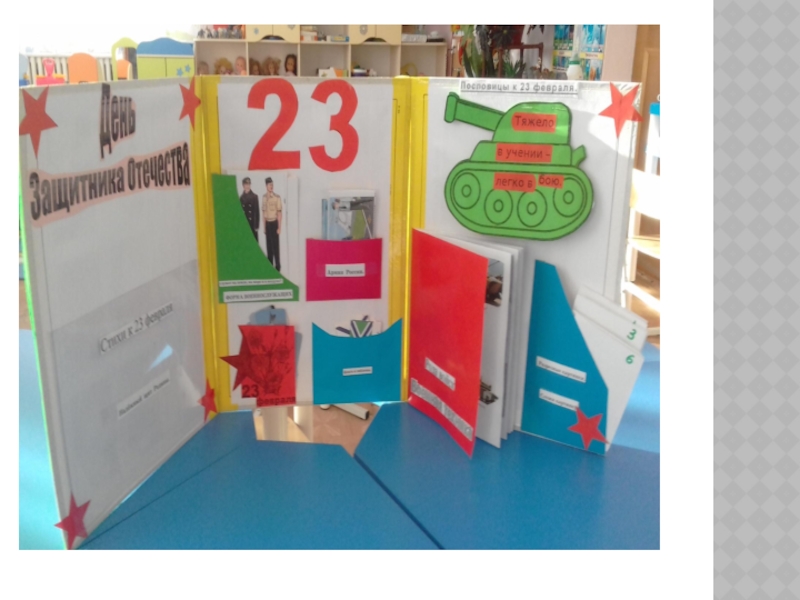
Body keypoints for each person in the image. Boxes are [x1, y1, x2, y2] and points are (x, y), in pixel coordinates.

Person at [262, 177, 282, 271]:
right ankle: (270, 267)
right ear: (266, 186)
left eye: (272, 184)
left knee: (275, 247)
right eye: (270, 185)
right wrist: (264, 227)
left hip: (274, 223)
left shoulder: (277, 197)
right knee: (269, 247)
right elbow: (264, 213)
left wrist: (279, 227)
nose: (271, 186)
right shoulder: (264, 197)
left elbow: (279, 213)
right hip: (268, 224)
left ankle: (277, 266)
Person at [239, 177, 259, 241]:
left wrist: (256, 226)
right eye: (246, 184)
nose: (247, 186)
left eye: (248, 184)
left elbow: (256, 212)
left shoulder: (254, 197)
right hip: (245, 224)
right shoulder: (241, 198)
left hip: (252, 224)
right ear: (243, 185)